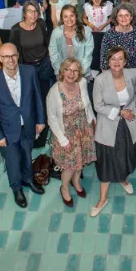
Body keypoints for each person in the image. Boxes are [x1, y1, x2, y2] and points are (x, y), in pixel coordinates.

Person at [0, 43, 46, 207]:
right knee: (13, 161)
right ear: (0, 59)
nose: (10, 60)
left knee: (27, 154)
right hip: (7, 130)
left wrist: (40, 120)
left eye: (13, 55)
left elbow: (38, 97)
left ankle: (28, 179)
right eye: (6, 57)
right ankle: (17, 188)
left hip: (28, 125)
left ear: (18, 55)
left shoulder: (29, 71)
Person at [90, 47, 136, 216]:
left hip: (130, 123)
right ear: (108, 61)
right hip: (108, 124)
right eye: (113, 58)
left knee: (128, 154)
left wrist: (130, 111)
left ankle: (122, 179)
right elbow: (98, 106)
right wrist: (120, 112)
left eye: (120, 58)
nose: (116, 62)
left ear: (125, 61)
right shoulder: (100, 79)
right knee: (107, 160)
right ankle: (103, 198)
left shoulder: (133, 74)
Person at [46, 58, 96, 207]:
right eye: (68, 69)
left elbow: (87, 105)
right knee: (69, 166)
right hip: (65, 134)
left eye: (75, 70)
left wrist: (93, 121)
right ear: (62, 71)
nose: (71, 73)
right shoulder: (54, 92)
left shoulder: (82, 83)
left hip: (83, 129)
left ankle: (76, 181)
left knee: (81, 161)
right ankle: (65, 187)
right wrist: (63, 141)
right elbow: (52, 119)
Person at [9, 1, 55, 98]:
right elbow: (13, 52)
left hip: (45, 63)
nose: (33, 14)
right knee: (31, 94)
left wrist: (50, 55)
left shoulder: (41, 23)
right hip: (28, 67)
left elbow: (47, 40)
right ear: (24, 13)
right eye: (29, 11)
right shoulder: (16, 30)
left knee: (45, 92)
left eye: (35, 11)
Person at [99, 4, 136, 71]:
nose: (124, 18)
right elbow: (103, 58)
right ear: (116, 18)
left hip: (134, 71)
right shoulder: (109, 34)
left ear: (131, 17)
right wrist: (105, 75)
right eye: (120, 15)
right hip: (115, 72)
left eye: (127, 15)